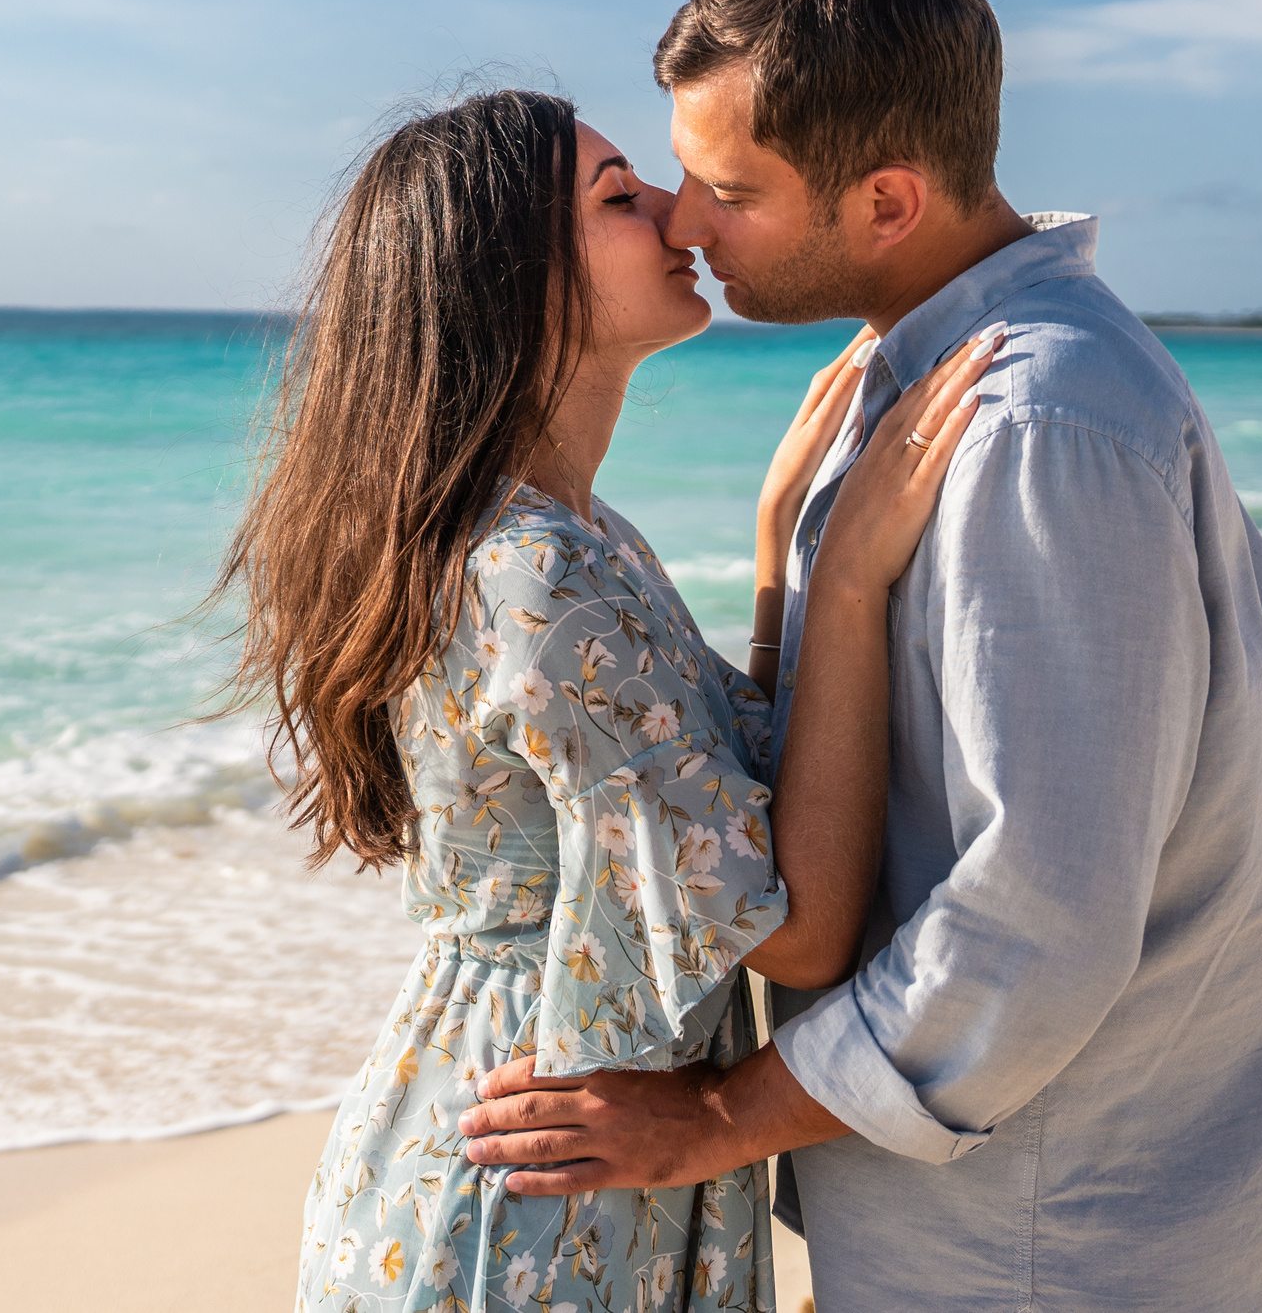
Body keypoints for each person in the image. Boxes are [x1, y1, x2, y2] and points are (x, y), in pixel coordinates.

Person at [456, 0, 1262, 1311]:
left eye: (731, 192)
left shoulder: (1032, 423)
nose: (688, 224)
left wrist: (715, 1120)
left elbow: (1036, 917)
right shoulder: (926, 388)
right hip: (1007, 1207)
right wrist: (786, 552)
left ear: (886, 201)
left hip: (1053, 1237)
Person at [212, 87, 1000, 1311]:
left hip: (553, 1131)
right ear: (514, 280)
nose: (680, 216)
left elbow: (740, 790)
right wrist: (842, 585)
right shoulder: (538, 571)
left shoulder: (567, 533)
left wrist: (781, 548)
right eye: (621, 198)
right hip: (536, 1180)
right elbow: (793, 928)